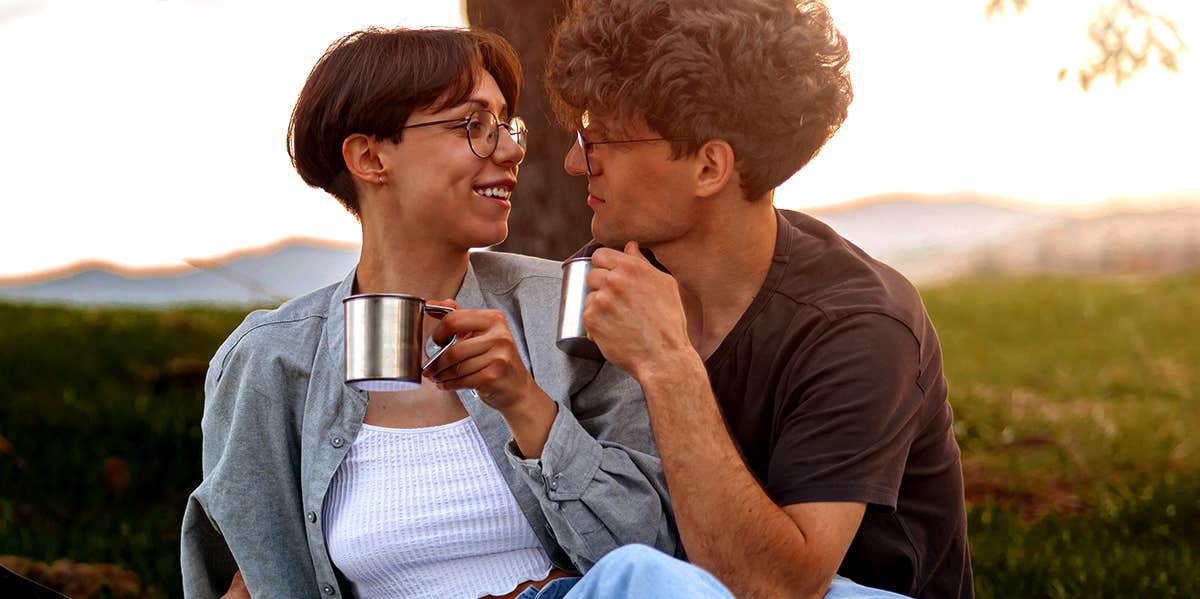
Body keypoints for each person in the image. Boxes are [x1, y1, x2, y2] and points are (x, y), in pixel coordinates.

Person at [179, 27, 678, 599]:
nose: (512, 149)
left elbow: (655, 561)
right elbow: (257, 572)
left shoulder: (573, 310)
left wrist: (526, 406)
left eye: (506, 126)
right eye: (474, 126)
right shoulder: (269, 363)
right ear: (370, 157)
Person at [538, 1, 974, 598]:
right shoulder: (600, 282)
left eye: (601, 141)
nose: (573, 162)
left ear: (710, 167)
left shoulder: (858, 326)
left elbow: (775, 588)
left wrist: (668, 367)